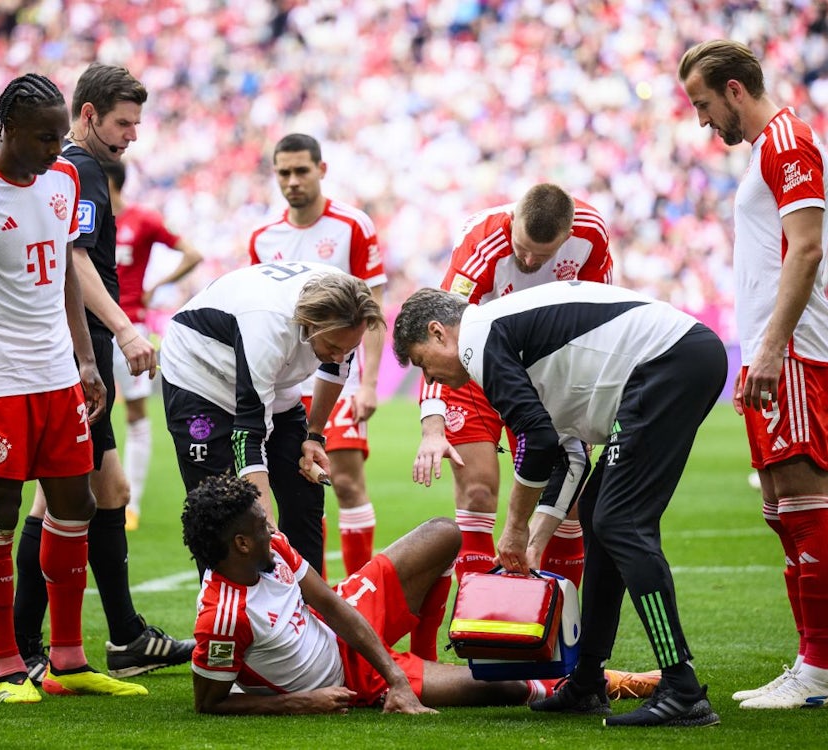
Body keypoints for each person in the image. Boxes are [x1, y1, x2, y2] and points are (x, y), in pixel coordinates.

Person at [393, 282, 726, 727]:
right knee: (599, 516)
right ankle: (587, 681)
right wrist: (535, 541)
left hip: (669, 361)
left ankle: (682, 689)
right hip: (677, 358)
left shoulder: (478, 338)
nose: (430, 378)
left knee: (621, 522)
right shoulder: (506, 338)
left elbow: (538, 440)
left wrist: (513, 526)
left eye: (422, 363)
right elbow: (568, 453)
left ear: (438, 333)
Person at [0, 73, 147, 702]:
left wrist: (87, 363)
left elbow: (69, 276)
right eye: (45, 137)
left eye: (59, 135)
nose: (57, 148)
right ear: (8, 129)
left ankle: (68, 662)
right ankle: (7, 666)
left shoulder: (64, 179)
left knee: (76, 507)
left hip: (58, 375)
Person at [181, 473, 657, 714]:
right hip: (351, 675)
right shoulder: (221, 617)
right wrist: (301, 702)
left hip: (348, 616)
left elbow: (330, 603)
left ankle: (421, 661)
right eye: (260, 525)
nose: (271, 526)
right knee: (504, 689)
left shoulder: (274, 547)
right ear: (240, 544)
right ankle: (607, 679)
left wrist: (399, 677)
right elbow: (210, 703)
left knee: (442, 533)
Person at [11, 63, 194, 684]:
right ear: (88, 115)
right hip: (77, 352)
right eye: (123, 123)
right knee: (59, 497)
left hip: (79, 352)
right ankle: (27, 646)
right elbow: (75, 259)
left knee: (102, 493)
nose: (132, 136)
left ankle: (122, 636)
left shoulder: (71, 168)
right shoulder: (81, 171)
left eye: (137, 124)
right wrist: (123, 327)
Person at [680, 39, 828, 709]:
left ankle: (820, 674)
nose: (705, 121)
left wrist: (771, 347)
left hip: (794, 351)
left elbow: (808, 249)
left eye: (704, 104)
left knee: (804, 506)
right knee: (779, 508)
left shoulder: (787, 144)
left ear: (735, 89)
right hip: (774, 349)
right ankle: (809, 665)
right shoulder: (773, 149)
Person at [414, 184, 612, 587]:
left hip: (544, 372)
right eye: (522, 248)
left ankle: (557, 630)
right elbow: (439, 341)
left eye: (543, 255)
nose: (528, 259)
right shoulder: (480, 245)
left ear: (569, 234)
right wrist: (432, 427)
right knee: (478, 494)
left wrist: (585, 403)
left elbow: (598, 321)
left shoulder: (591, 234)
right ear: (512, 223)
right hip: (472, 367)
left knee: (566, 509)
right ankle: (478, 627)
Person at [159, 261, 385, 578]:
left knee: (304, 491)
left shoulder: (349, 309)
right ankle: (226, 614)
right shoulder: (268, 326)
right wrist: (268, 528)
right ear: (310, 324)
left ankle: (308, 615)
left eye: (348, 348)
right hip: (201, 375)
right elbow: (249, 437)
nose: (340, 354)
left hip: (271, 379)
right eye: (333, 346)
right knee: (220, 508)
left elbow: (336, 368)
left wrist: (315, 436)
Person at [249, 133, 387, 578]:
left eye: (301, 171)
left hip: (337, 377)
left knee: (344, 482)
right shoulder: (263, 236)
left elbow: (372, 309)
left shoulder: (353, 226)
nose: (292, 181)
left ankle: (360, 593)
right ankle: (312, 590)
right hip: (285, 383)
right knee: (298, 490)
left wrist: (367, 383)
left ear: (321, 170)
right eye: (283, 172)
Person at [102, 158, 202, 532]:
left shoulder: (141, 220)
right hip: (93, 328)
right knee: (88, 413)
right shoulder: (87, 219)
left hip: (132, 329)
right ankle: (94, 496)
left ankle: (131, 503)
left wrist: (157, 286)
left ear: (109, 181)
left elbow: (193, 253)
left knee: (135, 415)